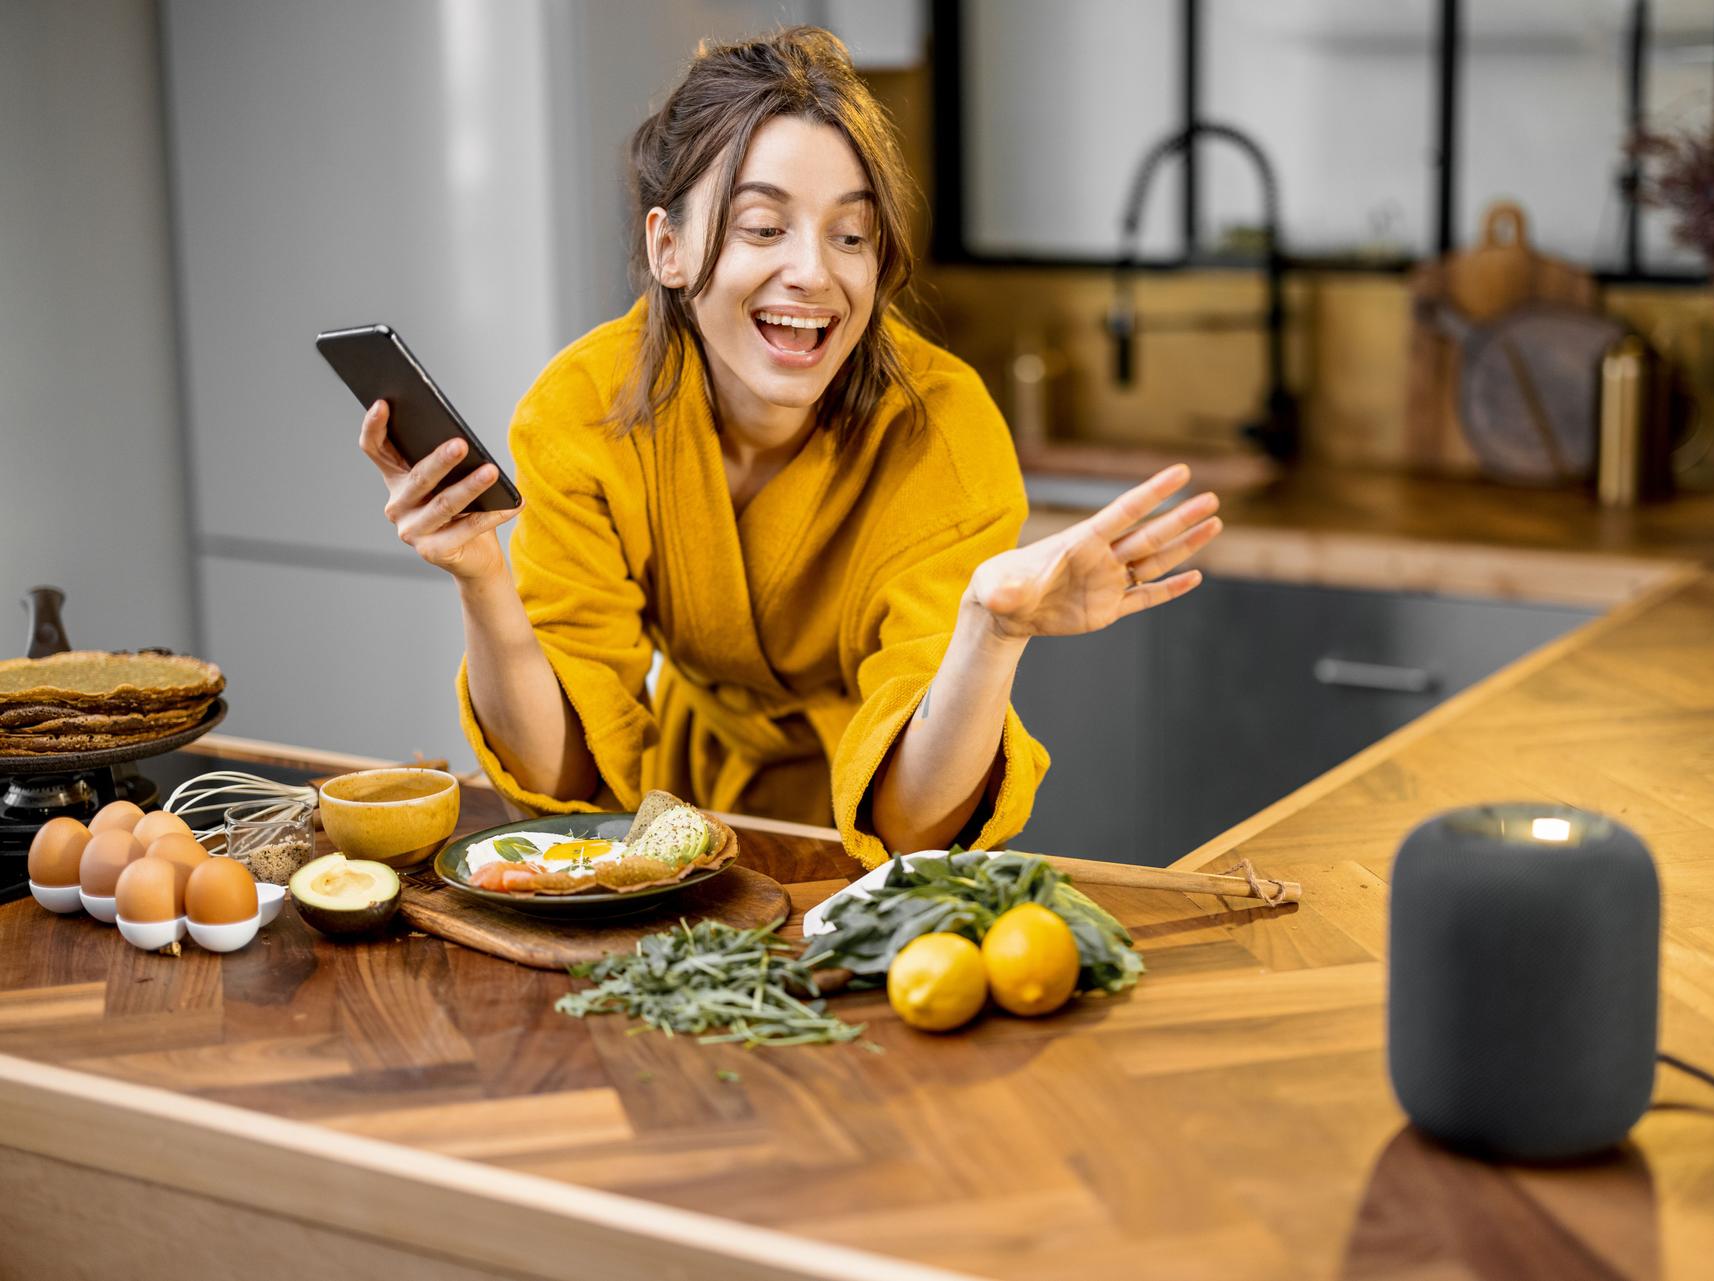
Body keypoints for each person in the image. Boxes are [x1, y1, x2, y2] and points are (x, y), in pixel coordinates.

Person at [357, 27, 1221, 867]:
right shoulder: (583, 409)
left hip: (874, 858)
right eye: (763, 228)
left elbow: (918, 831)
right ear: (668, 246)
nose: (814, 271)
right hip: (678, 833)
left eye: (851, 235)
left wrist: (989, 633)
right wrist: (483, 580)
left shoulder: (945, 434)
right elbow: (562, 783)